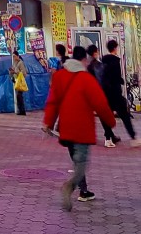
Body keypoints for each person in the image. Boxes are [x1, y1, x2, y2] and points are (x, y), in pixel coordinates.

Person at [43, 45, 116, 211]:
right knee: (81, 163)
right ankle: (70, 186)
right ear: (83, 60)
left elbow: (53, 102)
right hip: (82, 129)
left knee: (76, 160)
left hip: (65, 129)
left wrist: (47, 122)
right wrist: (110, 122)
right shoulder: (86, 79)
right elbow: (100, 103)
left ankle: (83, 190)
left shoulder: (59, 76)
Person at [102, 39, 141, 144]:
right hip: (116, 94)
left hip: (107, 94)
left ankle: (108, 138)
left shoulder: (104, 61)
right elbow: (116, 78)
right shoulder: (115, 61)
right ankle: (133, 137)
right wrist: (121, 81)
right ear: (115, 48)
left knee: (107, 116)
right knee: (125, 116)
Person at [86, 44, 120, 147]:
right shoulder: (97, 65)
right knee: (105, 115)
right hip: (102, 93)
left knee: (103, 115)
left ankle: (110, 136)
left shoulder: (89, 65)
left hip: (94, 93)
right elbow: (102, 80)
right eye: (97, 51)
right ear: (94, 53)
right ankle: (108, 138)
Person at [10, 50, 28, 115]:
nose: (14, 58)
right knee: (18, 96)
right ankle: (20, 110)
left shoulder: (21, 63)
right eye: (13, 56)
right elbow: (13, 70)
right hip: (16, 80)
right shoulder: (14, 63)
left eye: (14, 56)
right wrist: (11, 73)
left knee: (19, 95)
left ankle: (22, 111)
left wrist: (15, 72)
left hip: (20, 81)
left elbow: (24, 73)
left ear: (18, 56)